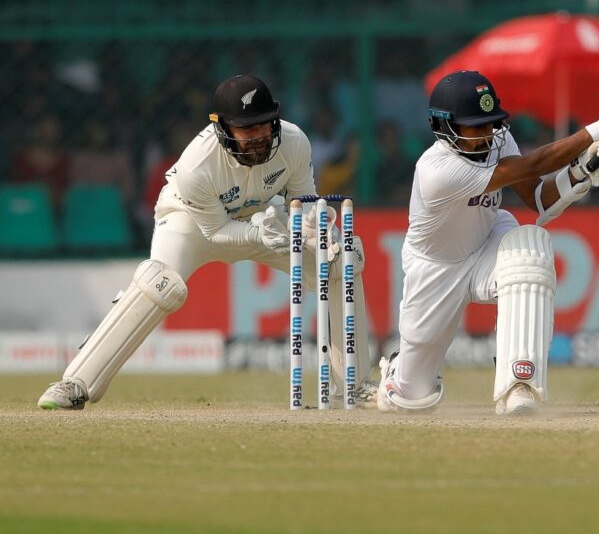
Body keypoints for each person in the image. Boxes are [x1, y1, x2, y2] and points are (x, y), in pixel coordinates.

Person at [38, 75, 376, 410]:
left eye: (263, 125)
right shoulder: (196, 167)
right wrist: (262, 233)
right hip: (193, 222)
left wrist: (315, 229)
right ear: (223, 128)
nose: (258, 137)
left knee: (337, 261)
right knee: (160, 283)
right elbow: (216, 233)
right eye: (247, 129)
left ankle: (353, 384)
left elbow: (302, 201)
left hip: (265, 218)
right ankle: (76, 381)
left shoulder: (294, 142)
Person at [376, 70, 599, 416]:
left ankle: (519, 385)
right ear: (444, 127)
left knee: (529, 251)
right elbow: (531, 165)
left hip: (488, 240)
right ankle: (398, 374)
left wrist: (585, 170)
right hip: (436, 268)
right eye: (475, 127)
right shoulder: (436, 170)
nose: (487, 135)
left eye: (490, 124)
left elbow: (540, 200)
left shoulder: (498, 141)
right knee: (410, 399)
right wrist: (598, 130)